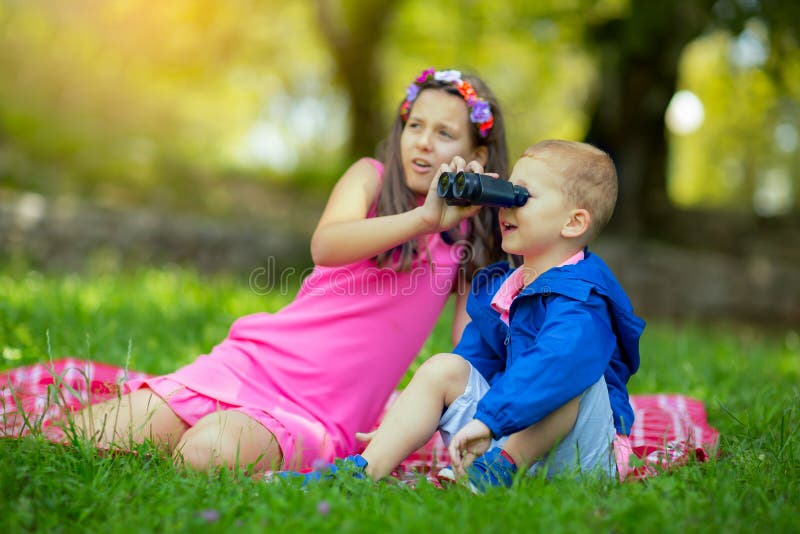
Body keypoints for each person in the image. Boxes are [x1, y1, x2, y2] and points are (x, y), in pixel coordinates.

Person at [69, 67, 511, 473]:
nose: (423, 142)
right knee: (86, 438)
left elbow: (467, 347)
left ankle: (229, 431)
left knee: (202, 454)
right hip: (255, 364)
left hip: (323, 412)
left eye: (445, 133)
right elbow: (327, 245)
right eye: (414, 125)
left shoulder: (472, 234)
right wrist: (423, 220)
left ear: (478, 153)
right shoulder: (371, 177)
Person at [298, 140, 645, 492]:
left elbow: (557, 364)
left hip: (580, 457)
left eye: (522, 196)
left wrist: (491, 419)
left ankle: (498, 470)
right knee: (444, 367)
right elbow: (474, 360)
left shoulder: (583, 296)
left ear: (573, 222)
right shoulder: (507, 288)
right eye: (508, 192)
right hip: (507, 433)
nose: (506, 207)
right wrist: (405, 423)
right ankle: (362, 472)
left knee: (569, 374)